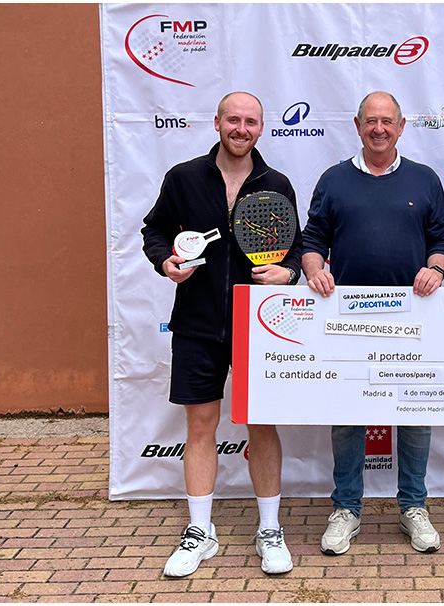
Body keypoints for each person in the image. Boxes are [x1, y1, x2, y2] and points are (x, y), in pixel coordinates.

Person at [141, 92, 302, 576]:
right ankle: (200, 531)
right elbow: (154, 231)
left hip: (261, 326)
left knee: (262, 425)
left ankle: (269, 528)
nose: (241, 129)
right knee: (199, 426)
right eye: (233, 119)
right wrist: (165, 262)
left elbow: (297, 248)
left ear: (261, 128)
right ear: (216, 123)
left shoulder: (276, 184)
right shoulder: (184, 177)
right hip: (197, 323)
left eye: (250, 121)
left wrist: (289, 274)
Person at [302, 91, 444, 556]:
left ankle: (414, 507)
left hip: (412, 319)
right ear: (357, 125)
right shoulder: (333, 179)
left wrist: (437, 268)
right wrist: (313, 269)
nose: (379, 129)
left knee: (415, 416)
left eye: (388, 121)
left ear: (402, 127)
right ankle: (346, 509)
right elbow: (313, 238)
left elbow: (443, 239)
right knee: (348, 417)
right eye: (371, 121)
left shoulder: (424, 179)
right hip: (347, 321)